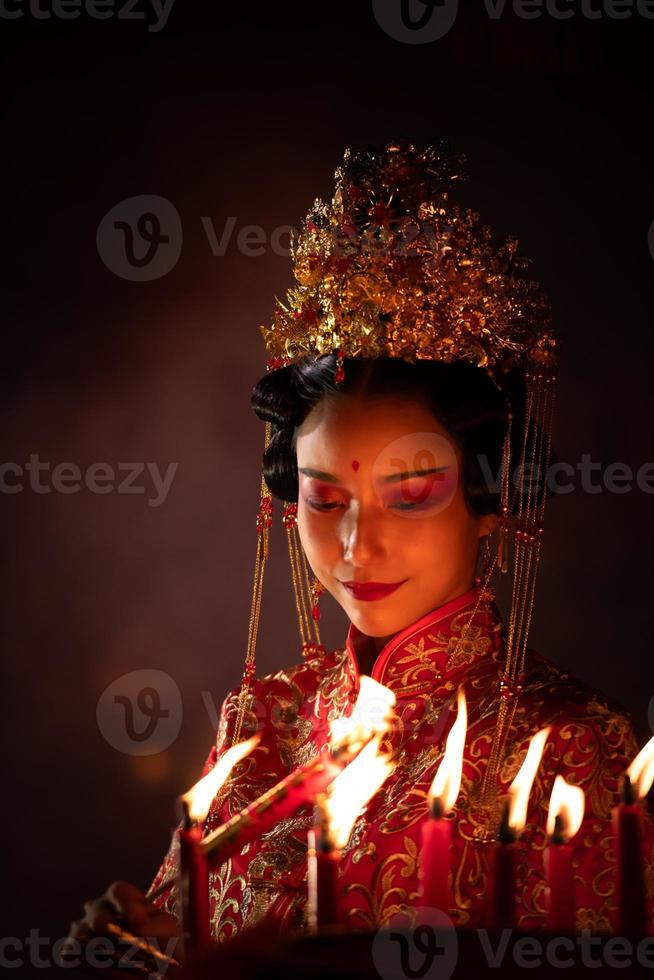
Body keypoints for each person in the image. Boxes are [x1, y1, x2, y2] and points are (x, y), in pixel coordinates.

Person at [70, 141, 654, 950]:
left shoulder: (575, 749)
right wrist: (151, 943)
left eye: (411, 496)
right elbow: (193, 944)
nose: (356, 544)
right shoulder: (260, 723)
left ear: (490, 500)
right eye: (325, 496)